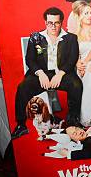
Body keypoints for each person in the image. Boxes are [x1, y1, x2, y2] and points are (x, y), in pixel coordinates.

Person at [11, 7, 82, 139]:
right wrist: (40, 73)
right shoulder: (35, 37)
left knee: (76, 85)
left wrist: (60, 74)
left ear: (61, 22)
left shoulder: (71, 38)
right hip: (40, 73)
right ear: (45, 22)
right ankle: (21, 125)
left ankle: (73, 121)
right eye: (50, 23)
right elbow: (30, 59)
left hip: (62, 72)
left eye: (56, 22)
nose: (53, 26)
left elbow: (73, 58)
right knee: (22, 87)